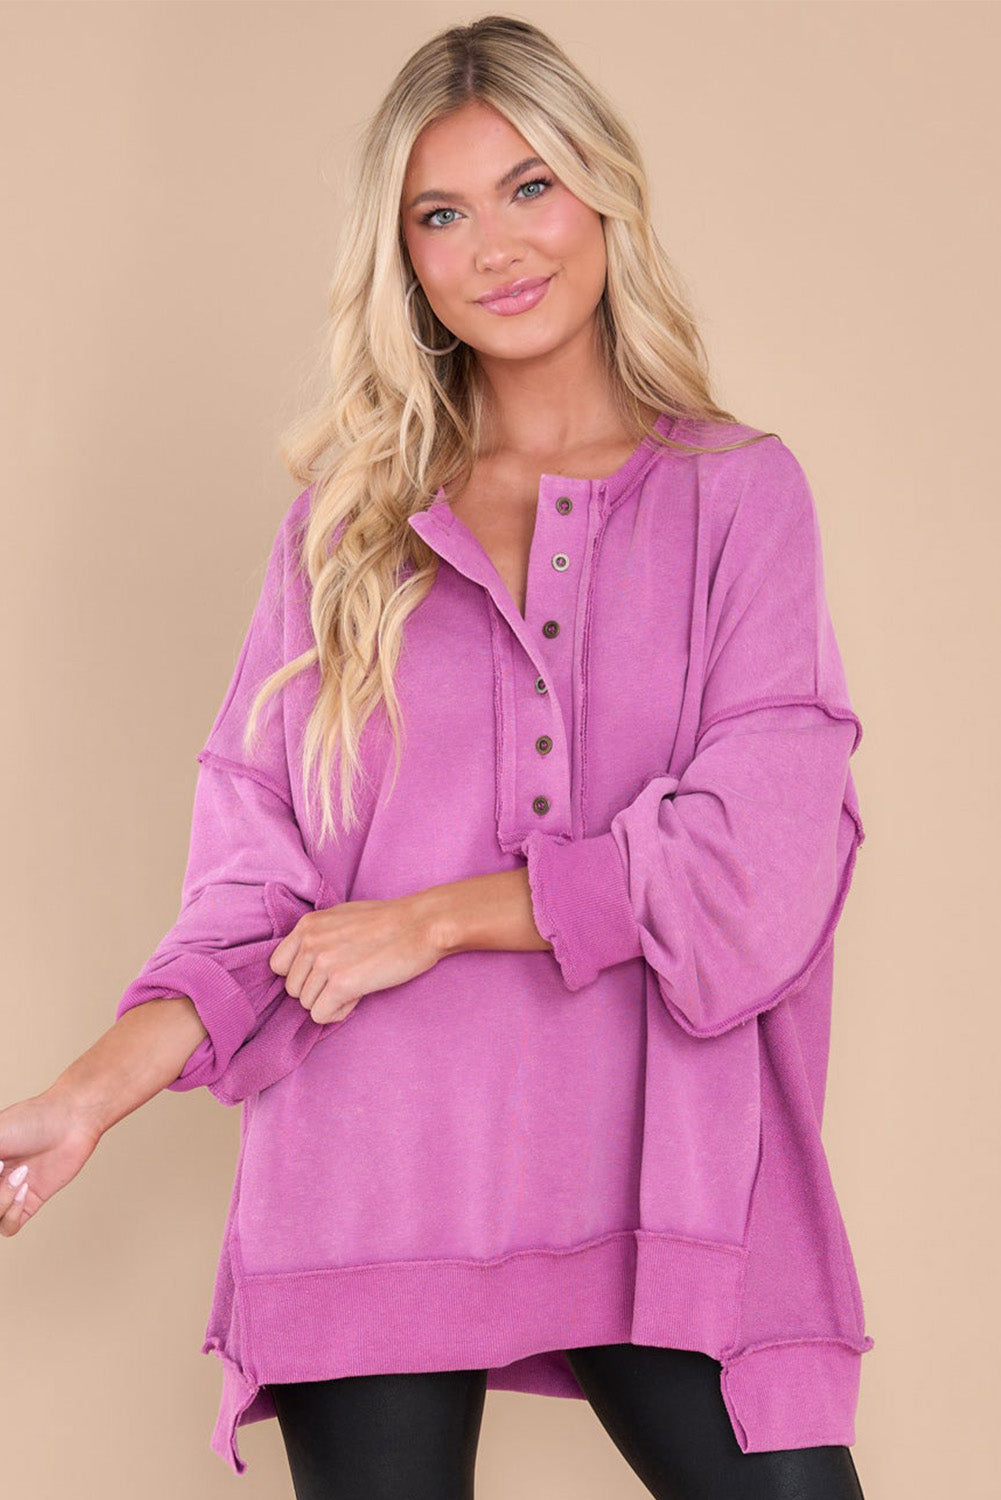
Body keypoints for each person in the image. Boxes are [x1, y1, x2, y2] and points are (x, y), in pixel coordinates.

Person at [0, 14, 874, 1499]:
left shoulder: (738, 496)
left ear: (604, 194)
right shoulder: (345, 535)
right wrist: (85, 1094)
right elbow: (256, 879)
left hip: (661, 1163)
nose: (496, 248)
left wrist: (435, 918)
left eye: (530, 187)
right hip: (373, 1175)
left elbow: (762, 858)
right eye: (441, 214)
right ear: (402, 257)